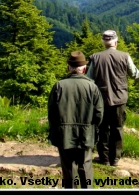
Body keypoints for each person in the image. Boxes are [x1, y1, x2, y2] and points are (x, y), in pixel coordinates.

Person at [87, 30, 139, 167]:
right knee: (117, 128)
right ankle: (115, 159)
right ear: (116, 42)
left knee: (101, 128)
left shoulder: (95, 57)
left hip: (101, 99)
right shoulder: (124, 56)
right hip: (119, 99)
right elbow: (134, 73)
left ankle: (104, 159)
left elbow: (88, 79)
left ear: (103, 43)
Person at [48, 51, 104, 189]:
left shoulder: (59, 86)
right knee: (85, 164)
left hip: (64, 132)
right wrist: (93, 127)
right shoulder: (92, 87)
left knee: (68, 166)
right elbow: (99, 113)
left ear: (69, 67)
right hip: (86, 131)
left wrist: (56, 128)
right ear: (84, 69)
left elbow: (52, 113)